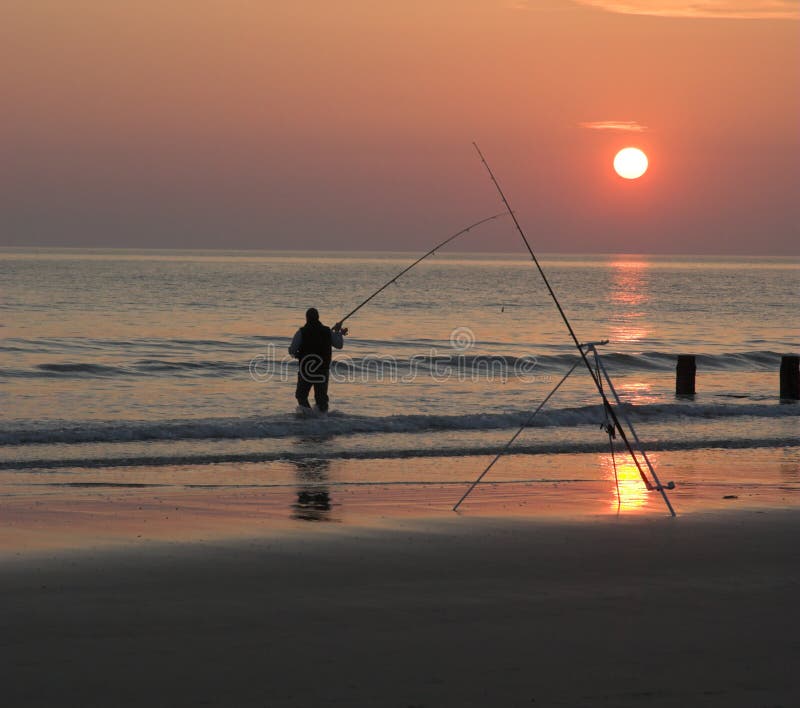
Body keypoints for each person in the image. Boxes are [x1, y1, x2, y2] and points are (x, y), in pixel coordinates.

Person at [288, 308, 347, 413]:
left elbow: (292, 350)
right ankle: (321, 420)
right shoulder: (327, 331)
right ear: (318, 317)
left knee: (301, 396)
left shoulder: (301, 332)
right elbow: (339, 345)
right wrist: (338, 332)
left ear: (306, 318)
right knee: (321, 400)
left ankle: (309, 417)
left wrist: (295, 353)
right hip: (322, 371)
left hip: (306, 371)